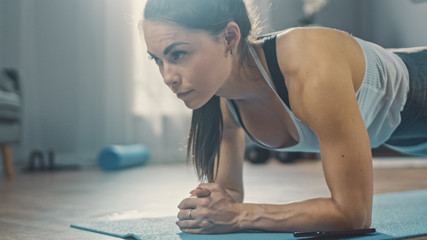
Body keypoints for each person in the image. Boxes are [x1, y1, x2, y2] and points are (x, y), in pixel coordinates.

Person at [141, 0, 427, 234]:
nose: (167, 77)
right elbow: (227, 193)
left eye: (178, 54)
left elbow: (353, 214)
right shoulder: (217, 98)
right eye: (157, 60)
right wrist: (211, 209)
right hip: (406, 134)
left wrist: (241, 216)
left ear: (229, 37)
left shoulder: (309, 66)